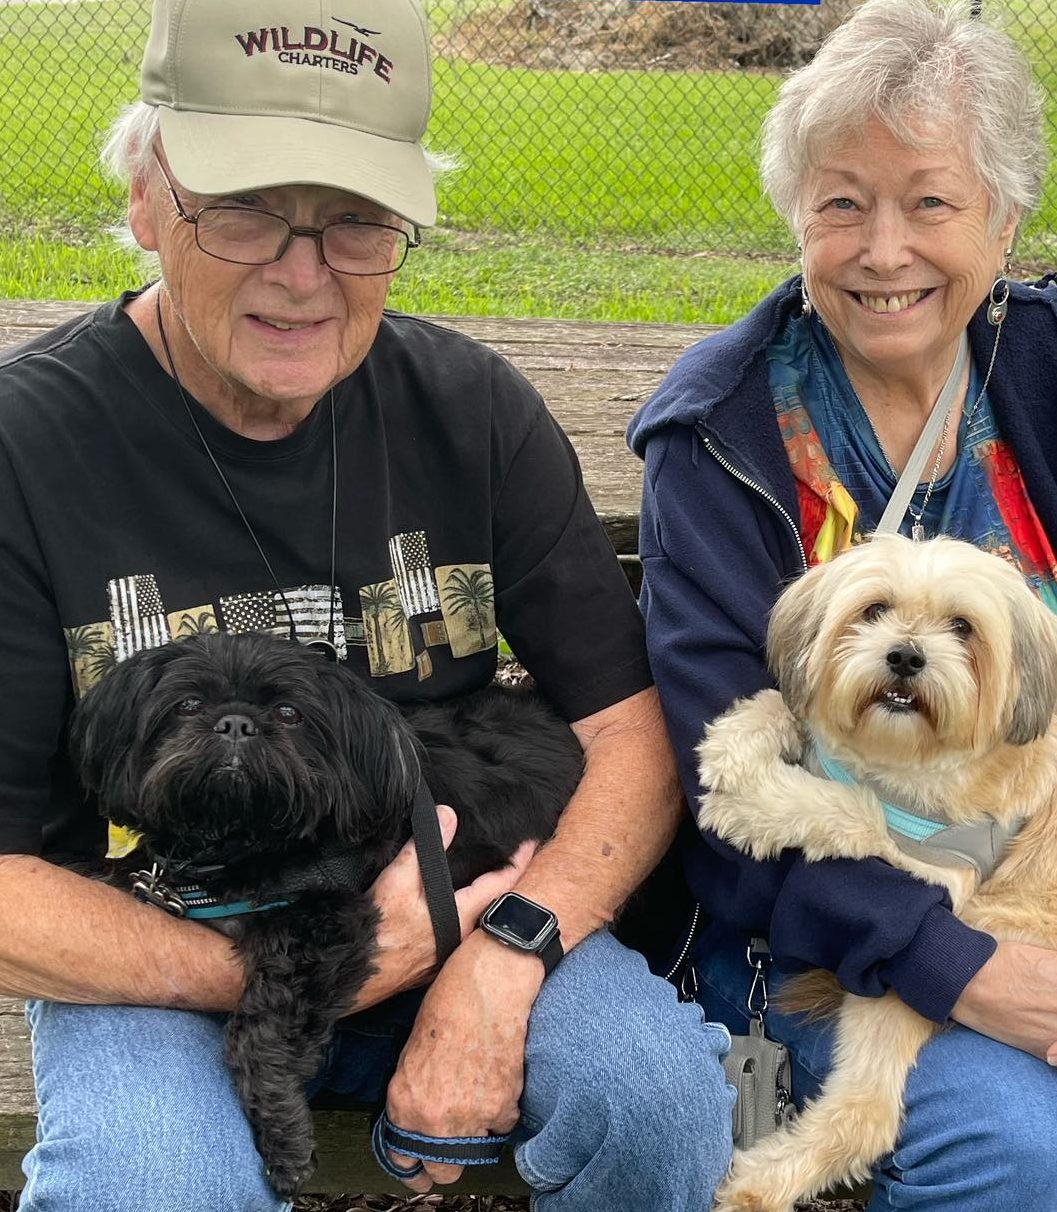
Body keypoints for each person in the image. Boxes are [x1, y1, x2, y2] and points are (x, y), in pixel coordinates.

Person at [0, 1, 734, 1208]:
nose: (303, 276)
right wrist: (286, 973)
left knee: (654, 1102)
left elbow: (632, 731)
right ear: (145, 198)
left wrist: (508, 953)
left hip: (476, 911)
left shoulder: (470, 412)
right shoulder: (29, 449)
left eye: (354, 223)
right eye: (244, 211)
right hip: (158, 938)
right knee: (151, 1182)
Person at [629, 1, 1057, 1208]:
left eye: (930, 202)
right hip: (833, 934)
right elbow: (721, 789)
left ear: (1005, 219)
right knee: (1009, 1140)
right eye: (842, 203)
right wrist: (953, 963)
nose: (884, 251)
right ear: (795, 214)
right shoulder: (720, 435)